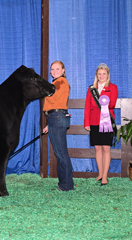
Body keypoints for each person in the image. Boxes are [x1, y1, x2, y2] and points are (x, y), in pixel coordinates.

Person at [84, 63, 118, 186]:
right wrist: (86, 122)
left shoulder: (113, 88)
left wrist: (104, 100)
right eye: (99, 74)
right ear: (96, 75)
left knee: (106, 148)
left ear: (107, 75)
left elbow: (112, 104)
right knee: (97, 148)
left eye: (104, 73)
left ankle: (105, 176)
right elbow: (87, 106)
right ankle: (99, 173)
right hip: (93, 121)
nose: (101, 76)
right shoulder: (91, 89)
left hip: (106, 121)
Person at [43, 60, 74, 191]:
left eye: (57, 69)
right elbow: (54, 103)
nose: (54, 71)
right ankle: (65, 184)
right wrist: (48, 124)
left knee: (61, 153)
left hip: (57, 117)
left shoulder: (60, 82)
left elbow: (52, 98)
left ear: (63, 70)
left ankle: (66, 185)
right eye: (52, 69)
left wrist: (43, 90)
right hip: (55, 118)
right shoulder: (57, 82)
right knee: (60, 152)